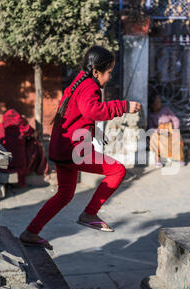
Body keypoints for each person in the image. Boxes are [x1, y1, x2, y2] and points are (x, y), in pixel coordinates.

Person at [19, 46, 141, 249]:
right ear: (96, 72)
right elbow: (92, 110)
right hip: (74, 150)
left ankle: (30, 232)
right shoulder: (89, 86)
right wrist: (123, 107)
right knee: (117, 170)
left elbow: (76, 114)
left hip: (62, 148)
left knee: (64, 195)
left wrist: (94, 132)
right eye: (109, 72)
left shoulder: (78, 82)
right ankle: (90, 213)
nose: (109, 77)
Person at [0, 109, 51, 187]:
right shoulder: (22, 124)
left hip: (4, 163)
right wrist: (25, 121)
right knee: (34, 142)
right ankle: (37, 167)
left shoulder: (1, 126)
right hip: (20, 162)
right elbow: (34, 134)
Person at [147, 93, 185, 167]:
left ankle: (180, 159)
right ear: (152, 104)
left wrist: (175, 129)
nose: (160, 103)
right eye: (157, 102)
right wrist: (159, 131)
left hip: (170, 132)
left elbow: (175, 119)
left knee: (177, 135)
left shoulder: (166, 110)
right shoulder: (150, 115)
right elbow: (150, 128)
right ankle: (157, 159)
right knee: (154, 137)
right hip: (159, 134)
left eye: (160, 101)